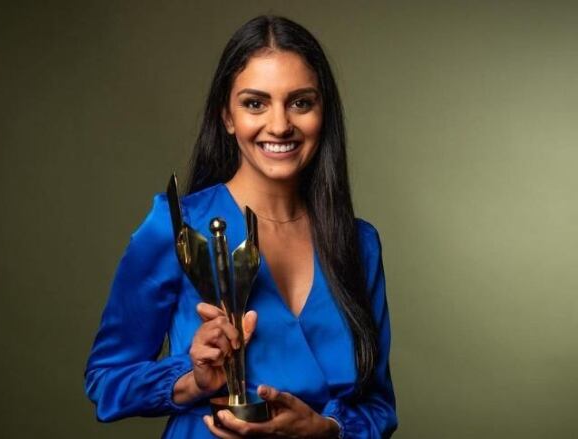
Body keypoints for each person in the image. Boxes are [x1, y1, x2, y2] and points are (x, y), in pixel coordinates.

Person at [84, 15, 397, 438]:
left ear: (324, 114)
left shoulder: (359, 244)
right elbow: (106, 381)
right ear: (227, 117)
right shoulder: (178, 227)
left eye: (301, 102)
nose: (280, 124)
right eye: (255, 103)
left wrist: (326, 429)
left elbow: (378, 404)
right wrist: (193, 379)